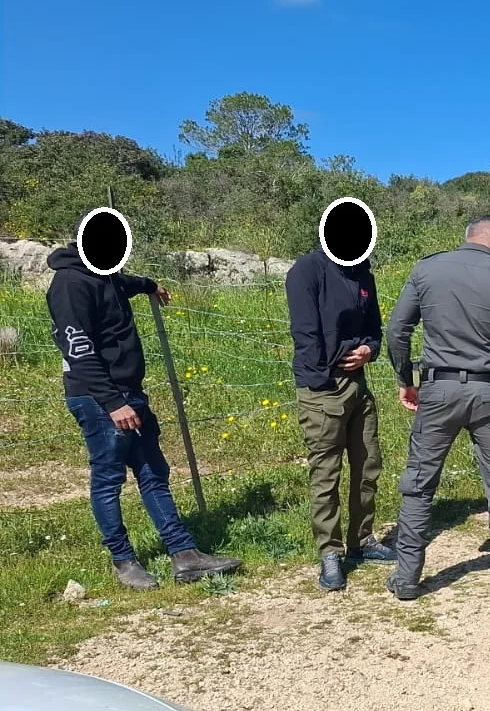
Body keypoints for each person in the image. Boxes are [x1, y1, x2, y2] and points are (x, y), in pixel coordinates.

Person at [45, 240, 241, 590]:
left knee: (153, 471)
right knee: (108, 479)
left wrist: (150, 285)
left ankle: (184, 555)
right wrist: (111, 402)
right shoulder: (70, 285)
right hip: (98, 398)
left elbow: (126, 283)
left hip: (129, 393)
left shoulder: (108, 276)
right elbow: (78, 348)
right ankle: (124, 561)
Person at [384, 217, 490, 606]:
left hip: (438, 390)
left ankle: (407, 578)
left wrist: (404, 378)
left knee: (419, 484)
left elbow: (397, 330)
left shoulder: (427, 269)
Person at [286, 241, 394, 592]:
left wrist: (368, 350)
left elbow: (375, 330)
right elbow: (305, 334)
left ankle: (361, 542)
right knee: (326, 474)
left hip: (358, 386)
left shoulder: (363, 274)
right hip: (322, 389)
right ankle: (329, 553)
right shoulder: (307, 270)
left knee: (368, 466)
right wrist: (324, 380)